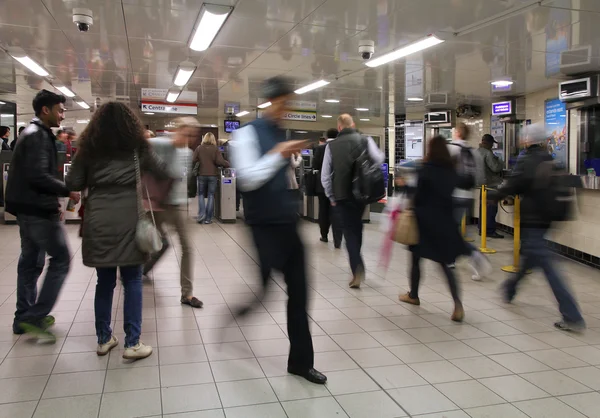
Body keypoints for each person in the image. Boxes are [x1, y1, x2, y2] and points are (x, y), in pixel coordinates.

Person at [230, 76, 326, 385]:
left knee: (299, 290)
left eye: (290, 102)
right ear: (269, 102)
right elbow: (247, 179)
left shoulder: (279, 133)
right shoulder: (245, 135)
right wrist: (279, 155)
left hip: (287, 223)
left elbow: (280, 178)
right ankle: (240, 310)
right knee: (265, 290)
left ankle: (300, 362)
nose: (287, 108)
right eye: (284, 102)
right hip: (262, 226)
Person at [66, 101, 170, 359]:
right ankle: (132, 343)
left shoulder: (87, 149)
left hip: (98, 218)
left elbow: (74, 182)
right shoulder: (138, 147)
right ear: (129, 124)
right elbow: (161, 171)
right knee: (133, 280)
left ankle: (103, 339)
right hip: (129, 218)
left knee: (105, 281)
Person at [493, 124, 585, 331]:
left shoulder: (527, 159)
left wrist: (494, 195)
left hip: (533, 218)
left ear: (526, 140)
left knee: (548, 264)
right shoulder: (549, 157)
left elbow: (514, 185)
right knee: (530, 256)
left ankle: (573, 316)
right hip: (547, 218)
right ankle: (510, 288)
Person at [5, 89, 80, 339]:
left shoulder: (33, 132)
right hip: (36, 210)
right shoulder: (38, 135)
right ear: (45, 110)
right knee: (60, 260)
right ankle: (34, 317)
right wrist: (66, 190)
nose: (63, 114)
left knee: (30, 263)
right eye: (60, 109)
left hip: (26, 209)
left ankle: (22, 318)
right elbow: (37, 176)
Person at [398, 136, 468, 322]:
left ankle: (413, 295)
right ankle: (457, 305)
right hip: (445, 222)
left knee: (415, 260)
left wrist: (406, 187)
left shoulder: (425, 170)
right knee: (446, 265)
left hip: (424, 222)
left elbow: (418, 195)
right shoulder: (451, 171)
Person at [143, 118, 203, 308]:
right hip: (156, 206)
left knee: (187, 247)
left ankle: (187, 294)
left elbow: (182, 179)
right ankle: (139, 271)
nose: (189, 138)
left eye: (193, 135)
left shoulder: (187, 152)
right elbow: (138, 148)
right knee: (156, 243)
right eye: (186, 133)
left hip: (177, 206)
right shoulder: (159, 144)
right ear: (177, 130)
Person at [321, 114, 384, 288]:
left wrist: (331, 196)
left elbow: (325, 176)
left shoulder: (331, 146)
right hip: (361, 194)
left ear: (339, 127)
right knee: (357, 228)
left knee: (349, 232)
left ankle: (357, 268)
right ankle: (358, 264)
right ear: (353, 125)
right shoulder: (365, 140)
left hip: (342, 196)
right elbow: (379, 159)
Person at [447, 122, 492, 280]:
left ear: (458, 133)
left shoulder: (450, 149)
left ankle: (474, 254)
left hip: (452, 195)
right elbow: (479, 178)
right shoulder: (475, 153)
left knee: (450, 230)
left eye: (454, 131)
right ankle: (450, 259)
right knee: (454, 228)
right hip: (468, 197)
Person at [313, 129, 342, 247]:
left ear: (326, 136)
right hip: (337, 184)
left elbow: (315, 165)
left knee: (323, 210)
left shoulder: (320, 148)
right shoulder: (339, 147)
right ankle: (337, 239)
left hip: (322, 185)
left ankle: (324, 235)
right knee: (336, 211)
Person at [192, 132, 229, 224]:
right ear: (213, 139)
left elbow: (193, 159)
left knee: (200, 195)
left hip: (201, 175)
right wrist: (227, 164)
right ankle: (208, 218)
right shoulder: (215, 149)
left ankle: (201, 215)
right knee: (211, 195)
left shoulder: (199, 148)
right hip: (212, 175)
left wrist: (200, 161)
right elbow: (220, 161)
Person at [478, 134, 504, 238]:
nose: (492, 146)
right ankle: (489, 230)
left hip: (482, 185)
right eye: (492, 143)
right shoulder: (488, 153)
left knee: (483, 208)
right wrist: (500, 161)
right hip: (490, 184)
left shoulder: (477, 152)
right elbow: (495, 168)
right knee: (491, 209)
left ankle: (482, 228)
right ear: (488, 143)